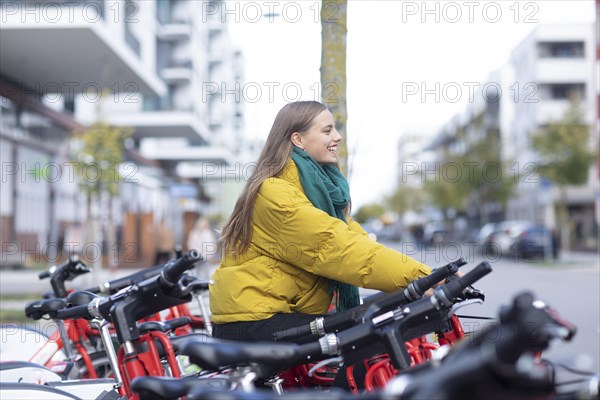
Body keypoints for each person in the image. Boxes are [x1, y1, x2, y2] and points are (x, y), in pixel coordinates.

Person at [209, 101, 432, 343]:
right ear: (298, 140)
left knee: (381, 316)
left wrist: (423, 275)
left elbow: (354, 242)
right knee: (365, 333)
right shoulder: (275, 193)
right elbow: (338, 249)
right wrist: (422, 277)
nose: (337, 137)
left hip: (279, 312)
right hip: (254, 321)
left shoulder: (313, 192)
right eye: (327, 131)